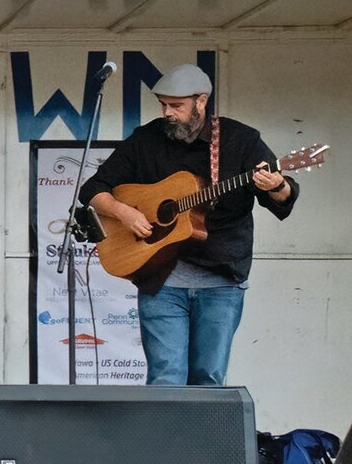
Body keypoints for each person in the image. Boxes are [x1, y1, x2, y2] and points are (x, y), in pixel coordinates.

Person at [80, 64, 297, 385]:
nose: (167, 113)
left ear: (201, 101)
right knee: (165, 378)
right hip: (162, 279)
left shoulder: (241, 141)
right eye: (163, 104)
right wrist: (125, 213)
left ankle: (203, 437)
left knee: (208, 378)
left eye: (176, 106)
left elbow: (282, 196)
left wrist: (277, 186)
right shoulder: (146, 139)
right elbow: (93, 189)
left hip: (221, 279)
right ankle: (165, 437)